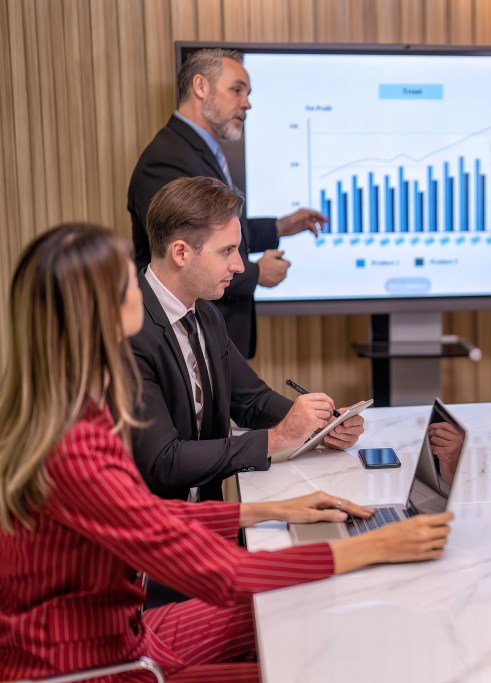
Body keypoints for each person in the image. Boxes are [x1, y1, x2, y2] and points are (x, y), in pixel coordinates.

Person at [0, 224, 453, 681]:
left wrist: (272, 509)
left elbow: (147, 519)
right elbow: (224, 576)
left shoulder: (70, 416)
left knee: (292, 613)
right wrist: (375, 546)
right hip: (99, 667)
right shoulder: (78, 450)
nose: (139, 283)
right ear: (104, 313)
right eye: (126, 281)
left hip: (127, 635)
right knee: (318, 662)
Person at [131, 176, 358, 502]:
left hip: (206, 518)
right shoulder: (130, 329)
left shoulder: (205, 313)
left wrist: (320, 427)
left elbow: (251, 401)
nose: (239, 266)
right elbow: (163, 461)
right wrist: (277, 439)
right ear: (180, 252)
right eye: (227, 251)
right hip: (156, 532)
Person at [127, 47, 326, 358]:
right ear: (201, 86)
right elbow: (187, 256)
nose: (246, 103)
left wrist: (278, 227)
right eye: (236, 90)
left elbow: (212, 229)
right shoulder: (167, 160)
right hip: (187, 345)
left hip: (212, 340)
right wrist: (255, 274)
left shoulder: (195, 150)